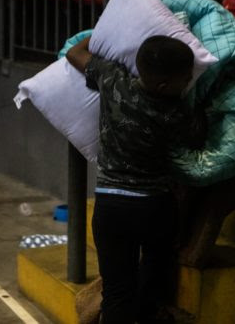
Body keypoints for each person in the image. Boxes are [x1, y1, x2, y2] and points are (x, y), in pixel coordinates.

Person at [66, 35, 205, 324]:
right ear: (165, 86)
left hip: (111, 207)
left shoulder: (112, 80)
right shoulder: (177, 112)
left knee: (117, 293)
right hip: (155, 208)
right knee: (153, 281)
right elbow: (197, 137)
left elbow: (74, 53)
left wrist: (106, 31)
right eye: (186, 79)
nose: (189, 82)